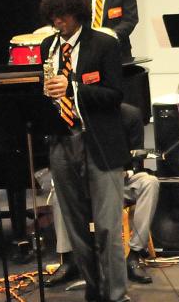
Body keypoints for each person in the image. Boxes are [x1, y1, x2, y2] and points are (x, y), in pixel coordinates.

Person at [39, 0, 131, 302]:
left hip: (99, 144)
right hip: (62, 143)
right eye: (53, 18)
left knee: (108, 228)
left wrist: (74, 87)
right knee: (77, 230)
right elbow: (47, 91)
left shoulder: (104, 45)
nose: (57, 23)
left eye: (61, 17)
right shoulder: (49, 47)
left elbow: (115, 94)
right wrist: (46, 93)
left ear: (75, 13)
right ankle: (94, 298)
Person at [47, 103, 158, 286]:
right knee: (59, 194)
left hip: (120, 180)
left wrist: (126, 170)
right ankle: (69, 260)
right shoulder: (78, 119)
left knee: (150, 183)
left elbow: (136, 156)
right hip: (86, 184)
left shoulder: (130, 115)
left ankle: (135, 255)